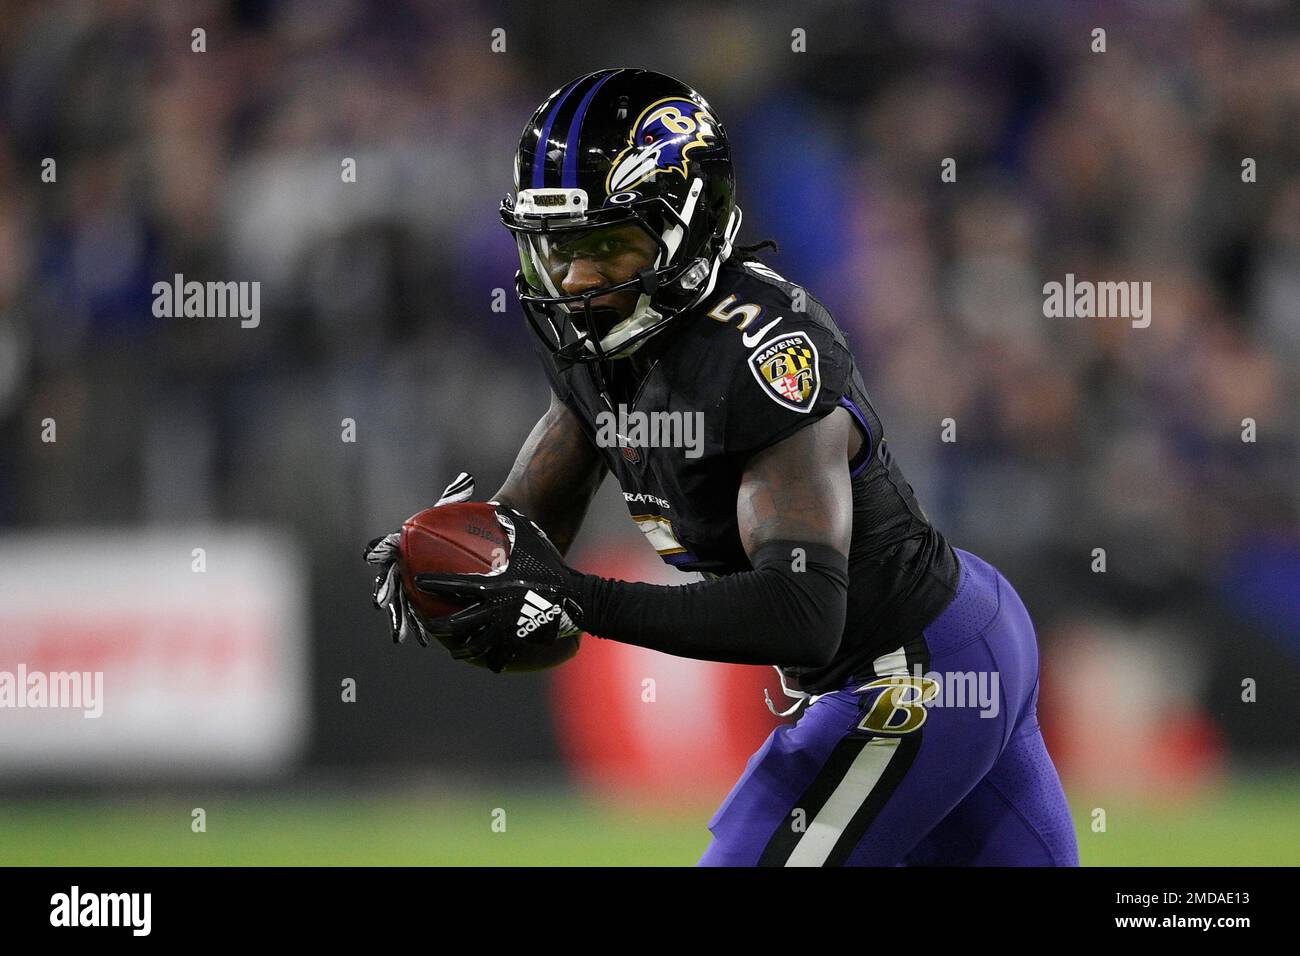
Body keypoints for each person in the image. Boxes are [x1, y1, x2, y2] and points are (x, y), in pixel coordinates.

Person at [364, 68, 1080, 867]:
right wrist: (461, 564)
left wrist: (579, 598)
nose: (576, 280)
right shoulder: (597, 337)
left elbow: (803, 613)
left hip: (915, 672)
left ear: (689, 225)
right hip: (946, 641)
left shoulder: (762, 352)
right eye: (557, 248)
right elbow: (529, 545)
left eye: (606, 245)